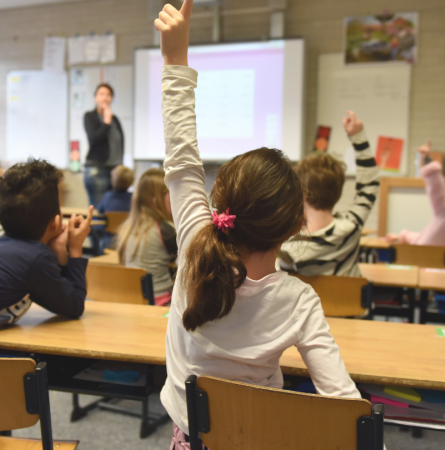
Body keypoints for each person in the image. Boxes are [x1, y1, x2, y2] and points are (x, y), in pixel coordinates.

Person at [154, 3, 363, 449]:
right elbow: (343, 402)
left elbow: (182, 159)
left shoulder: (193, 246)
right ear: (293, 226)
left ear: (220, 201)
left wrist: (175, 61)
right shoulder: (299, 300)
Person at [0, 159, 92, 337]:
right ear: (55, 222)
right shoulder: (34, 260)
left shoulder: (0, 250)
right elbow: (74, 306)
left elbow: (61, 300)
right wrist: (75, 248)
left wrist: (58, 251)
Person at [278, 110, 380, 277]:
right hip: (348, 303)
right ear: (338, 193)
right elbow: (370, 184)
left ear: (301, 193)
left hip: (305, 304)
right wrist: (358, 137)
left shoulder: (288, 245)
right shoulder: (350, 228)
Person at [385, 141, 445, 267]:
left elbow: (437, 186)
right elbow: (427, 240)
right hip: (442, 277)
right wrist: (403, 236)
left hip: (420, 269)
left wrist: (427, 158)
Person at [117, 168, 177, 306]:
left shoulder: (128, 227)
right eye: (171, 193)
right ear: (157, 200)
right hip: (161, 303)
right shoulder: (165, 230)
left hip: (134, 301)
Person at [83, 83, 125, 207]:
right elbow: (94, 140)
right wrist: (106, 122)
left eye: (108, 95)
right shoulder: (90, 117)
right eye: (101, 94)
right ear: (95, 97)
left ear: (112, 98)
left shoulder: (115, 119)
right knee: (98, 210)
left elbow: (120, 143)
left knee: (111, 209)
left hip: (114, 171)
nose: (105, 98)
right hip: (97, 170)